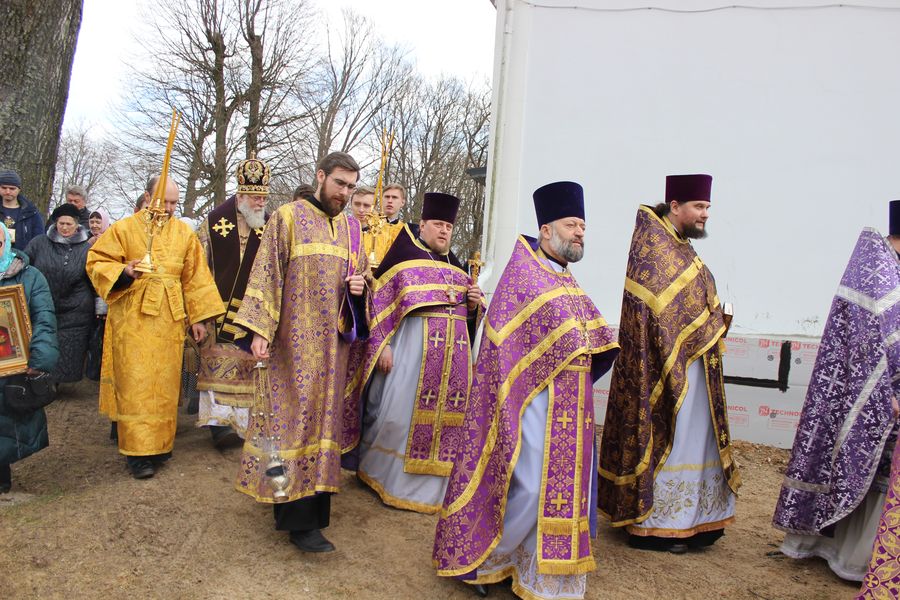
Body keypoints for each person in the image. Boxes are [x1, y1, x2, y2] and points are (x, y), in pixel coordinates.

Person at [433, 181, 619, 599]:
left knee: (561, 491)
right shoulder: (524, 275)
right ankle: (483, 559)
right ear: (546, 229)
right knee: (531, 487)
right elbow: (504, 347)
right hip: (531, 402)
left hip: (571, 408)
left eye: (583, 227)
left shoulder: (567, 281)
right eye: (571, 225)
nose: (579, 233)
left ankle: (535, 571)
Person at [598, 174, 741, 554]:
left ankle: (698, 519)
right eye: (699, 206)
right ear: (675, 206)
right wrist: (709, 324)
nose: (705, 214)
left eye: (707, 207)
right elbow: (663, 317)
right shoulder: (653, 247)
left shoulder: (681, 246)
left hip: (696, 368)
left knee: (696, 441)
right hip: (663, 370)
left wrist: (713, 322)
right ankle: (660, 524)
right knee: (674, 440)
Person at [233, 151, 367, 554]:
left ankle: (313, 515)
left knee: (323, 425)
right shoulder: (287, 218)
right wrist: (260, 330)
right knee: (292, 422)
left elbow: (362, 279)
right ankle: (294, 517)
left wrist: (359, 289)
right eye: (339, 183)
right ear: (321, 177)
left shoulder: (352, 229)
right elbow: (267, 273)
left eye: (351, 187)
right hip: (292, 346)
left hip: (333, 350)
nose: (344, 193)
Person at [773, 203, 900, 582]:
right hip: (873, 391)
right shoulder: (876, 270)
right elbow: (865, 344)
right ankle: (852, 558)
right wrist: (884, 396)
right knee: (863, 466)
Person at [345, 192, 484, 513]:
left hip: (452, 363)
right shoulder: (403, 259)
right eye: (438, 224)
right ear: (422, 226)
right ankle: (387, 479)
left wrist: (474, 306)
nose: (444, 231)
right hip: (409, 356)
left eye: (449, 226)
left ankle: (437, 490)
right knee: (397, 419)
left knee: (449, 425)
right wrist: (383, 346)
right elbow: (377, 305)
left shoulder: (457, 267)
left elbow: (469, 318)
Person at [86, 175, 223, 479]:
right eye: (165, 202)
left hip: (170, 322)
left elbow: (195, 278)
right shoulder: (123, 228)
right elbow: (96, 262)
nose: (171, 208)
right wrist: (125, 271)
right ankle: (137, 454)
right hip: (132, 321)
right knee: (137, 384)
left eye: (175, 203)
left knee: (164, 385)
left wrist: (198, 319)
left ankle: (160, 444)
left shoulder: (184, 233)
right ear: (148, 198)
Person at [195, 155, 271, 448]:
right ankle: (219, 426)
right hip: (218, 312)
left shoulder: (269, 225)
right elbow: (198, 268)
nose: (260, 203)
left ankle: (241, 425)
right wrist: (200, 311)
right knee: (217, 366)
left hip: (252, 313)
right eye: (255, 197)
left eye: (263, 197)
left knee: (246, 369)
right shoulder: (214, 223)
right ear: (240, 195)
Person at [0, 222, 60, 494]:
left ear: (7, 244)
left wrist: (40, 359)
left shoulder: (30, 277)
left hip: (13, 365)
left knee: (6, 422)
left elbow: (44, 320)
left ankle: (2, 474)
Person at [25, 204, 93, 385]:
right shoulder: (39, 243)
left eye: (69, 224)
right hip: (43, 302)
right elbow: (25, 262)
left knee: (67, 349)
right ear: (55, 223)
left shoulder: (87, 249)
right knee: (42, 342)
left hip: (75, 307)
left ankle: (56, 384)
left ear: (77, 225)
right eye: (61, 223)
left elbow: (93, 278)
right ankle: (40, 381)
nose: (64, 227)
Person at [0, 170, 45, 251]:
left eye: (12, 188)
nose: (7, 192)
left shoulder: (31, 213)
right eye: (4, 188)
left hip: (23, 256)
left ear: (19, 189)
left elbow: (39, 242)